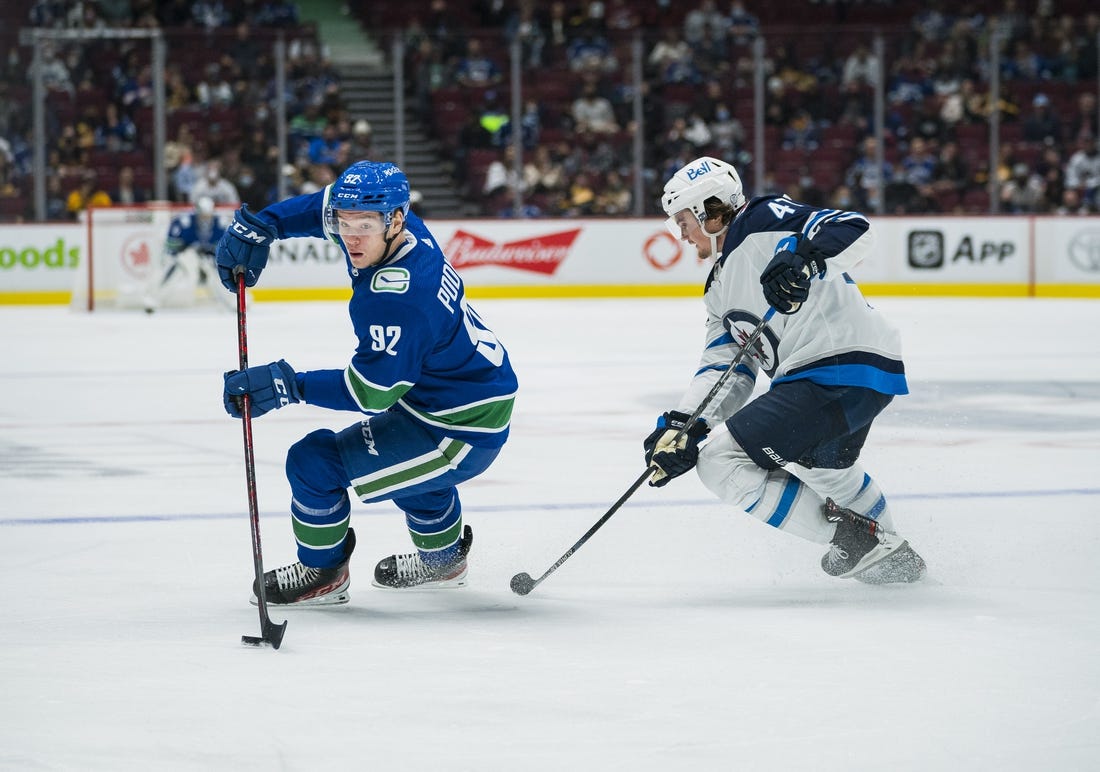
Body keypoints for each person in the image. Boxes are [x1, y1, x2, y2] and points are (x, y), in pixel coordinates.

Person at [214, 161, 518, 605]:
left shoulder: (398, 298)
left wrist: (288, 385)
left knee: (314, 462)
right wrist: (265, 225)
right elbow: (321, 208)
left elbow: (370, 394)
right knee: (414, 476)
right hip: (455, 397)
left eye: (365, 224)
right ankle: (444, 559)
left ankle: (323, 572)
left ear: (394, 219)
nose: (350, 236)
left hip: (458, 429)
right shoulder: (401, 226)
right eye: (345, 222)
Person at [643, 156, 925, 584]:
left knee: (721, 462)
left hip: (834, 364)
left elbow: (853, 227)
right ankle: (894, 559)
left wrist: (804, 258)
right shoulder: (718, 289)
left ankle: (858, 542)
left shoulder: (761, 219)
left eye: (683, 220)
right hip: (852, 371)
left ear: (710, 210)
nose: (681, 235)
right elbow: (725, 367)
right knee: (824, 468)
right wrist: (684, 425)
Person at [145, 196, 229, 312]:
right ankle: (154, 299)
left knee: (218, 272)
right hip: (186, 255)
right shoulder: (184, 221)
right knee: (175, 270)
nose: (205, 218)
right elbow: (170, 244)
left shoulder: (220, 222)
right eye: (203, 215)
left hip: (207, 257)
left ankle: (230, 301)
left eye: (208, 214)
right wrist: (185, 248)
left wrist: (210, 251)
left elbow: (224, 246)